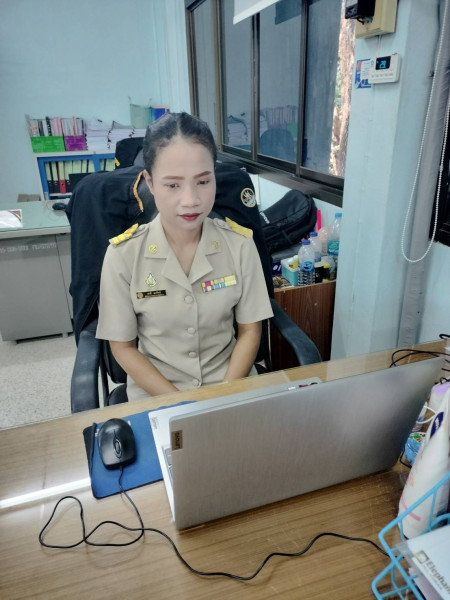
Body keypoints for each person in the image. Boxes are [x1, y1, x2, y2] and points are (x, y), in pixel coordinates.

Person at [96, 112, 273, 400]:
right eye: (172, 185)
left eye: (203, 182)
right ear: (150, 183)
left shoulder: (239, 245)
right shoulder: (123, 256)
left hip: (230, 385)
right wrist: (183, 404)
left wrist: (223, 396)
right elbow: (123, 348)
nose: (191, 200)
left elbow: (250, 332)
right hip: (157, 393)